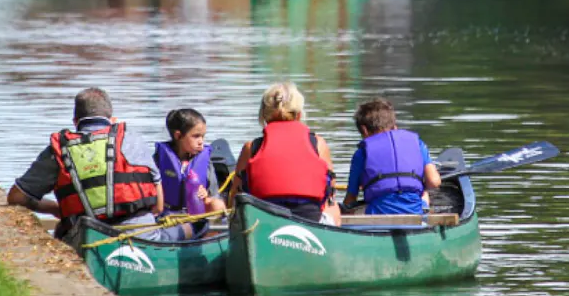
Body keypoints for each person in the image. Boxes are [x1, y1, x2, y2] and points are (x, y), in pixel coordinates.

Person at [5, 87, 196, 241]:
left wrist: (56, 209)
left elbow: (16, 197)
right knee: (193, 227)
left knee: (60, 230)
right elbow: (158, 206)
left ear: (75, 121)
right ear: (112, 120)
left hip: (87, 237)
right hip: (139, 235)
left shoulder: (58, 151)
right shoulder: (132, 140)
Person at [230, 82, 340, 225]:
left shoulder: (251, 148)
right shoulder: (319, 144)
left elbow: (235, 195)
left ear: (264, 115)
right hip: (310, 219)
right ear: (299, 114)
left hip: (263, 220)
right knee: (334, 206)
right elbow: (330, 191)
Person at [342, 98, 442, 216]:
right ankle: (423, 215)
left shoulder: (362, 153)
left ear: (364, 130)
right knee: (424, 193)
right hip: (415, 211)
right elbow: (434, 182)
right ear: (394, 126)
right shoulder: (418, 144)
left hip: (378, 214)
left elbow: (350, 198)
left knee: (350, 210)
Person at [154, 108, 227, 235]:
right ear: (178, 136)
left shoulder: (205, 162)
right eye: (196, 136)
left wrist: (206, 196)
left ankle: (211, 239)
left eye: (203, 136)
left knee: (218, 205)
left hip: (198, 216)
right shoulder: (158, 160)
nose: (201, 142)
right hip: (169, 218)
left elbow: (214, 195)